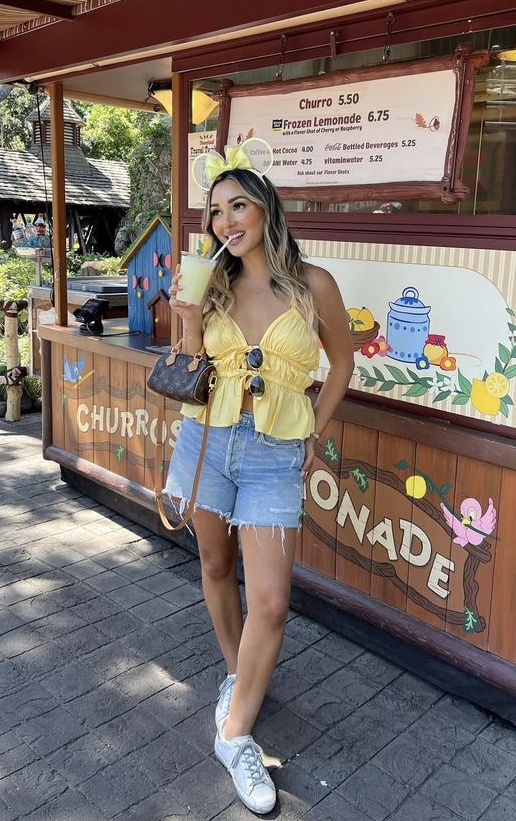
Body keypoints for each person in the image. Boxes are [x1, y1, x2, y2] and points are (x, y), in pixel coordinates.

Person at [164, 145, 354, 814]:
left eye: (236, 204)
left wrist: (316, 433)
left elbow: (343, 364)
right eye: (215, 211)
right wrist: (186, 324)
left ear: (265, 207)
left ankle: (235, 731)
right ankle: (239, 676)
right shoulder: (208, 283)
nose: (224, 221)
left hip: (275, 451)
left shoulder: (312, 284)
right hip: (206, 439)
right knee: (215, 564)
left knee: (271, 600)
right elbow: (189, 370)